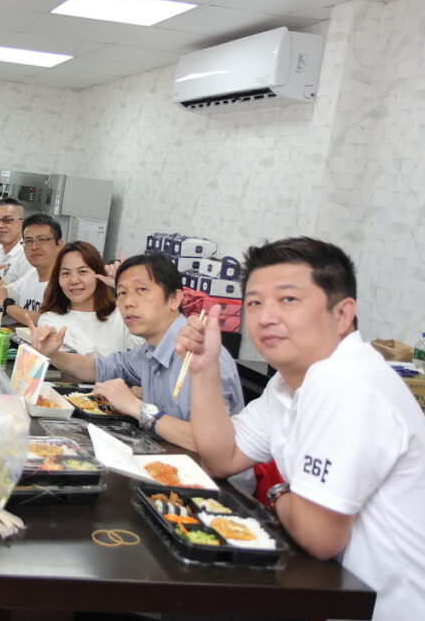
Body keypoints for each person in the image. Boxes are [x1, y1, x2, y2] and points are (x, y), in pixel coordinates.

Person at [176, 237, 425, 620]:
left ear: (342, 314)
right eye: (255, 302)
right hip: (330, 597)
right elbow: (222, 457)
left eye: (288, 299)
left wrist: (278, 493)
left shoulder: (345, 382)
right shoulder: (289, 383)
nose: (265, 317)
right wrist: (205, 367)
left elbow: (318, 536)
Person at [32, 252, 244, 451]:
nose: (128, 302)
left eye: (141, 290)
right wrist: (53, 354)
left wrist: (137, 409)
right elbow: (95, 368)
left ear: (174, 299)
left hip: (207, 475)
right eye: (122, 293)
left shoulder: (200, 355)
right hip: (164, 458)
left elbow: (212, 443)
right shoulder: (147, 351)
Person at [37, 241, 142, 357]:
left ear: (99, 274)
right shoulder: (51, 320)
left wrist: (124, 286)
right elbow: (81, 363)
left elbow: (146, 349)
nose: (74, 280)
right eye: (66, 273)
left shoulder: (122, 311)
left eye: (82, 272)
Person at [0, 213, 64, 325]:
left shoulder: (65, 282)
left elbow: (45, 321)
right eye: (28, 241)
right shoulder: (31, 276)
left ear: (59, 245)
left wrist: (7, 304)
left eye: (42, 239)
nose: (34, 247)